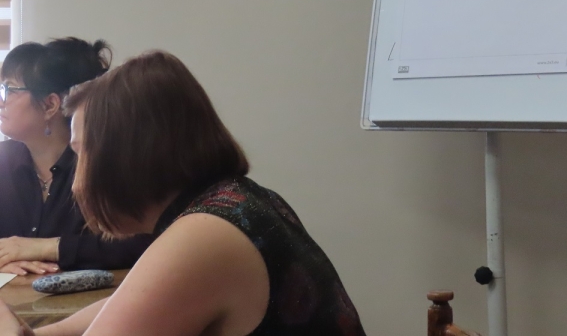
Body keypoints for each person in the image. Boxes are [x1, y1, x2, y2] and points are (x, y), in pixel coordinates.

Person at [0, 50, 367, 336]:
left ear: (125, 158)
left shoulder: (203, 237)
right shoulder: (238, 201)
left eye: (81, 154)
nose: (76, 181)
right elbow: (135, 300)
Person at [0, 38, 151, 275]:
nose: (2, 100)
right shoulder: (4, 161)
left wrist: (48, 248)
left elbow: (142, 243)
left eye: (10, 89)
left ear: (50, 105)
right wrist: (4, 260)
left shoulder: (103, 165)